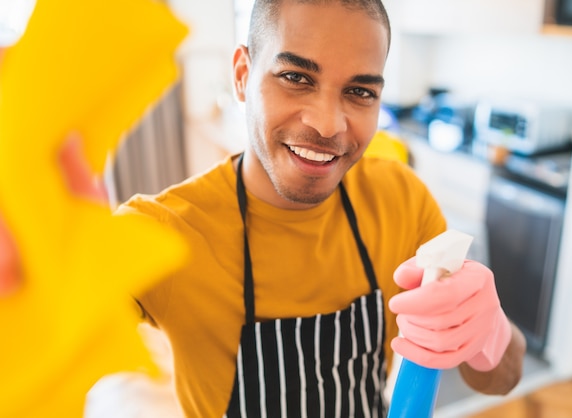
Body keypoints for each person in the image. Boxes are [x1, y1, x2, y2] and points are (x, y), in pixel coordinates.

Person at [2, 0, 527, 416]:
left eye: (359, 92)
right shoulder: (164, 232)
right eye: (296, 77)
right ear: (241, 75)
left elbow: (500, 378)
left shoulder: (401, 199)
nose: (327, 123)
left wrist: (489, 332)